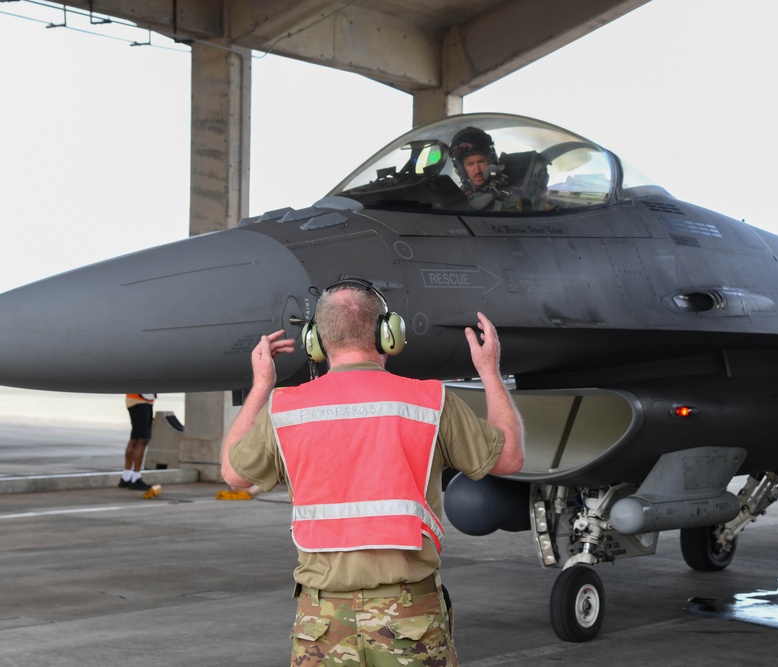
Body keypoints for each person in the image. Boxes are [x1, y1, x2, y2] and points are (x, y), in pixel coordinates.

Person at [221, 279, 524, 666]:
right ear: (388, 335)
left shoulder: (285, 409)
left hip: (321, 624)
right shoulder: (431, 402)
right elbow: (510, 456)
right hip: (408, 618)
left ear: (315, 341)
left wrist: (262, 385)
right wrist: (490, 371)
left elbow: (233, 472)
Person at [449, 126, 530, 212]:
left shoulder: (510, 198)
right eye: (470, 164)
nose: (477, 170)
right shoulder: (460, 195)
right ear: (461, 168)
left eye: (481, 162)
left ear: (491, 161)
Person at [120, 393, 156, 491]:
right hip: (140, 400)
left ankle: (126, 477)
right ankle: (136, 478)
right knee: (142, 439)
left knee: (135, 439)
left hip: (140, 400)